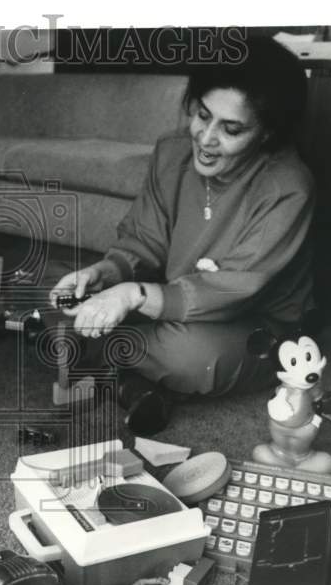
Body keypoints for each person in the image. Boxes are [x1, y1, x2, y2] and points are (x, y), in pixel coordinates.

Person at [50, 36, 314, 431]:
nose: (206, 139)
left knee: (189, 357)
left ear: (267, 134)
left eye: (231, 129)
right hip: (169, 304)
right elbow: (144, 241)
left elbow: (235, 289)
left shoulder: (288, 187)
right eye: (202, 115)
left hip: (255, 324)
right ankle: (127, 374)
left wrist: (131, 296)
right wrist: (104, 276)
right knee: (62, 296)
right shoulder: (171, 153)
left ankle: (112, 366)